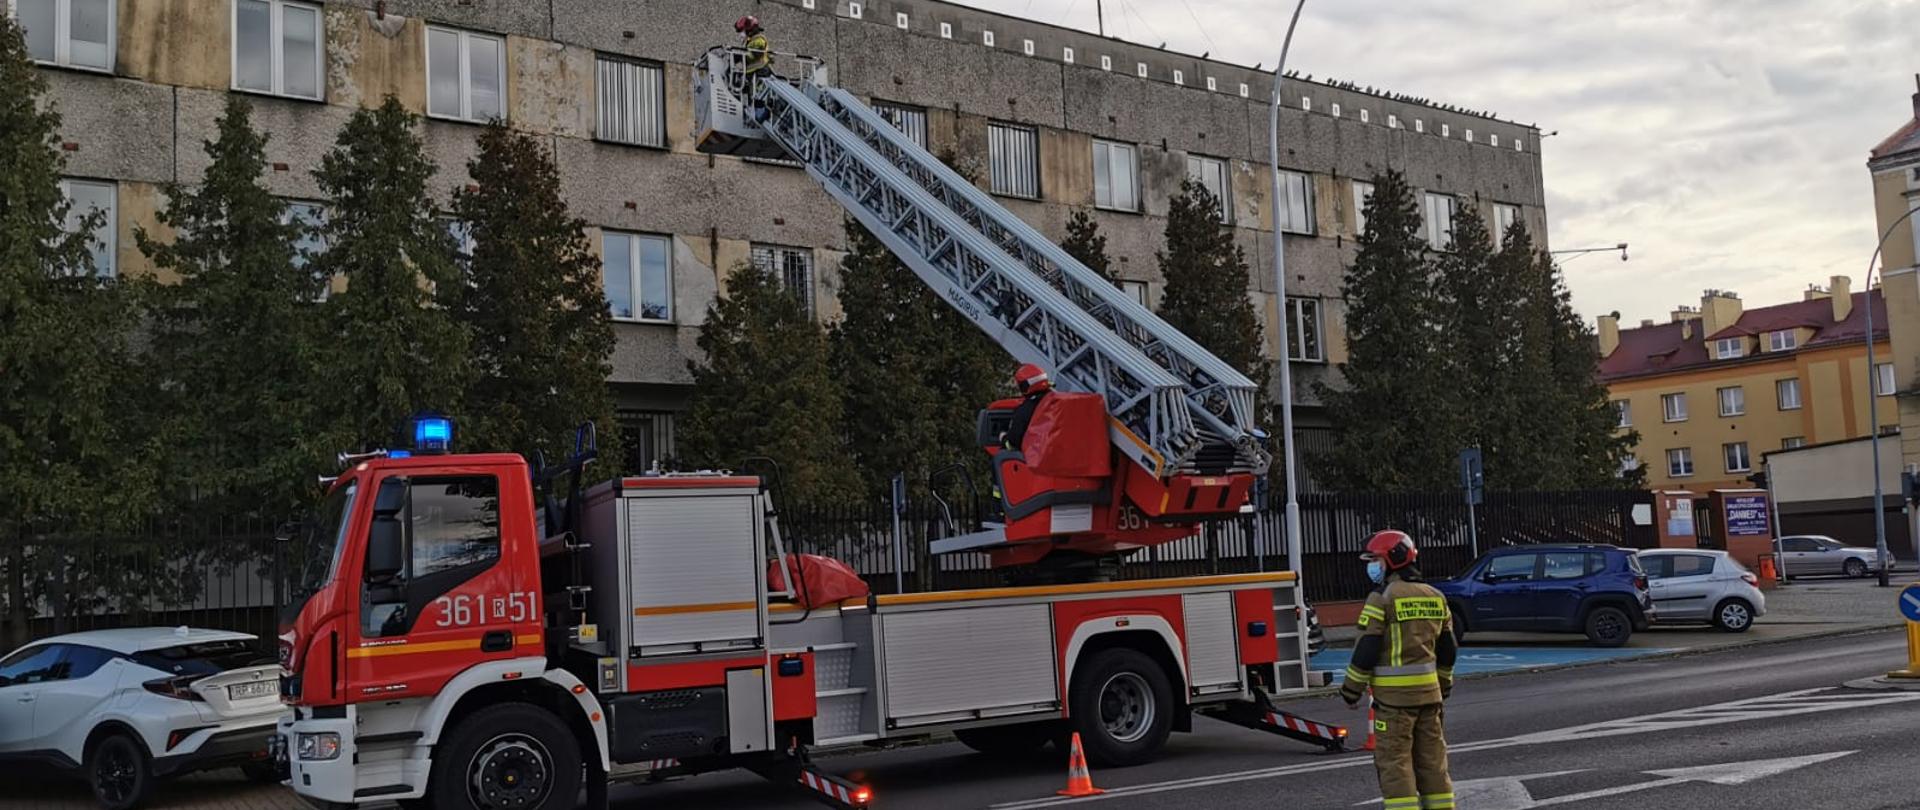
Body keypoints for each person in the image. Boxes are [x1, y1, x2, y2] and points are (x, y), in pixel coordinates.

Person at [1339, 529, 1458, 810]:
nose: (1371, 567)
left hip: (1394, 704)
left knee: (1396, 765)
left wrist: (1350, 690)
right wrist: (1444, 684)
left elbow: (1367, 648)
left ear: (1391, 560)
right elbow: (1448, 649)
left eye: (1375, 560)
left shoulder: (1382, 599)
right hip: (1431, 700)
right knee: (1433, 764)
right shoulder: (1435, 596)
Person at [1001, 363, 1053, 451]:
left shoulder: (1024, 411)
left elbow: (1013, 443)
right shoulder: (1059, 400)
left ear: (1025, 387)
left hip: (1039, 459)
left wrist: (1003, 438)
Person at [734, 15, 772, 120]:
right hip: (753, 73)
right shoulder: (751, 40)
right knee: (749, 92)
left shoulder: (759, 40)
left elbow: (751, 55)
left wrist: (737, 56)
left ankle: (761, 113)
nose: (740, 34)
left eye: (741, 31)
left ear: (749, 29)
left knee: (759, 95)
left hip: (760, 72)